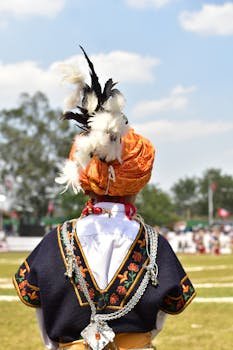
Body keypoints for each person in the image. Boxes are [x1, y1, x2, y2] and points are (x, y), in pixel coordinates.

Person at [13, 47, 196, 350]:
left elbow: (40, 309)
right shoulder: (154, 244)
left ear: (83, 179)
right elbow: (165, 311)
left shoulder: (54, 241)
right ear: (139, 183)